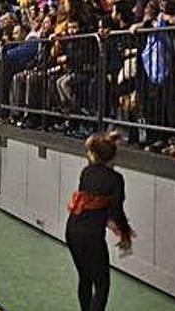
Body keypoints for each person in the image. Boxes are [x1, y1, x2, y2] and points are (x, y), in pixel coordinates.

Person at [66, 131, 132, 311]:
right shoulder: (116, 179)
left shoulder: (86, 172)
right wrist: (125, 231)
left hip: (73, 229)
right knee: (102, 284)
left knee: (85, 277)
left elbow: (89, 201)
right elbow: (116, 211)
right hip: (92, 234)